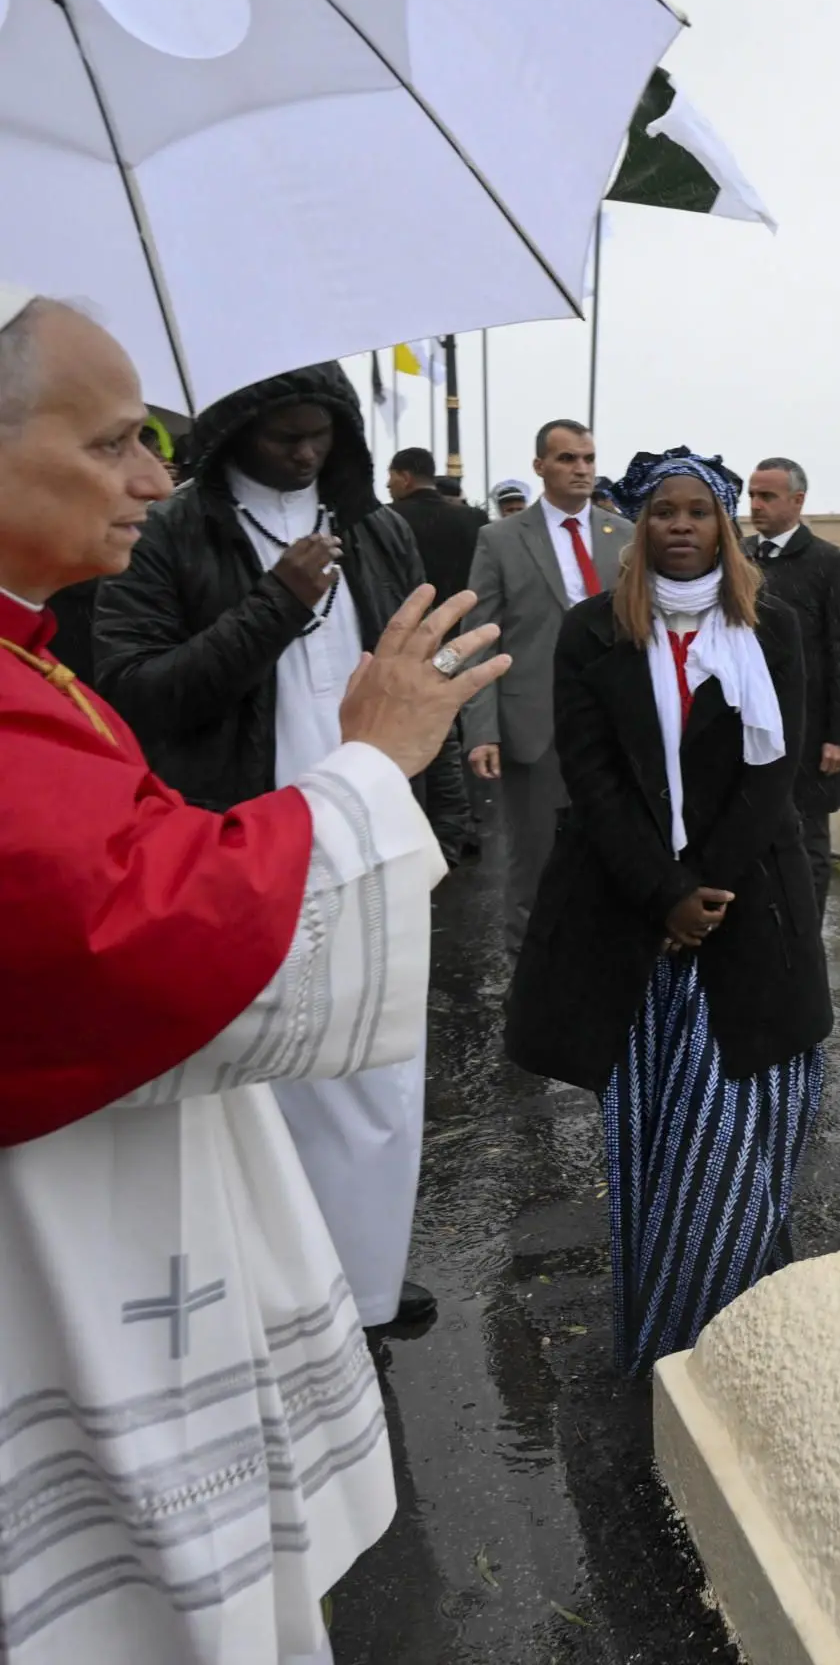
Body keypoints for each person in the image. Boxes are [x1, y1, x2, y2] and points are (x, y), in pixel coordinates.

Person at [0, 289, 509, 1664]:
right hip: (274, 861)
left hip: (316, 860)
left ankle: (364, 1288)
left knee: (374, 1114)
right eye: (112, 442)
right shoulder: (173, 548)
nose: (146, 476)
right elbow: (126, 916)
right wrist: (359, 749)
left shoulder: (31, 646)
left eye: (153, 443)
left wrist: (415, 799)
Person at [95, 364, 470, 1335]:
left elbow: (420, 674)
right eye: (282, 437)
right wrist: (276, 603)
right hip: (239, 839)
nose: (304, 454)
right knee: (260, 1081)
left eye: (320, 435)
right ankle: (277, 1295)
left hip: (368, 828)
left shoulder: (375, 528)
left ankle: (364, 1279)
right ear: (235, 434)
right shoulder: (172, 530)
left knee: (377, 1069)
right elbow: (137, 693)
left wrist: (446, 817)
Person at [505, 447, 830, 1376]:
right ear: (637, 526)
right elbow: (593, 776)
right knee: (664, 1137)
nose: (679, 526)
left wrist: (707, 889)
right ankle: (672, 1346)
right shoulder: (592, 631)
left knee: (739, 1131)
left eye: (697, 512)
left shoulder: (773, 627)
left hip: (746, 911)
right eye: (662, 511)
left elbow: (775, 773)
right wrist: (664, 893)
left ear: (724, 527)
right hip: (633, 915)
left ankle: (745, 1332)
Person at [462, 419, 627, 952]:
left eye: (588, 459)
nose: (581, 469)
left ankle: (603, 967)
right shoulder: (500, 539)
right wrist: (482, 730)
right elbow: (481, 637)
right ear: (540, 466)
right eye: (567, 459)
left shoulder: (625, 536)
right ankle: (530, 972)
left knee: (614, 851)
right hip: (534, 723)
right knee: (535, 860)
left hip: (615, 723)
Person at [746, 456, 840, 913]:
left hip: (809, 730)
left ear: (797, 501)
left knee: (807, 838)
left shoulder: (831, 563)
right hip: (748, 721)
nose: (756, 505)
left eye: (767, 496)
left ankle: (807, 937)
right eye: (752, 495)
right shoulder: (738, 555)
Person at [387, 444, 485, 605]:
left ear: (405, 478)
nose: (388, 484)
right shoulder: (475, 518)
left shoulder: (387, 518)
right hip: (464, 613)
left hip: (407, 614)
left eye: (391, 476)